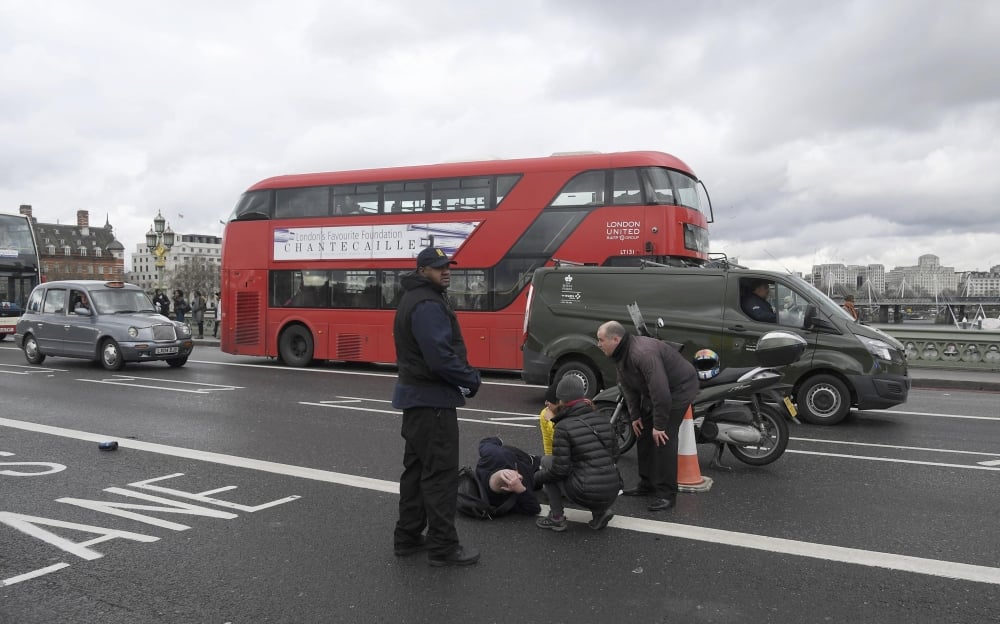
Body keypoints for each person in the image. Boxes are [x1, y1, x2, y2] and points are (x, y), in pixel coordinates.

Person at [391, 246, 482, 567]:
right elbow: (439, 356)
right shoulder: (428, 304)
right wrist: (471, 379)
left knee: (416, 473)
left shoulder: (413, 299)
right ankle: (443, 548)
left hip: (416, 401)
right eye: (438, 267)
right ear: (421, 271)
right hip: (433, 404)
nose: (446, 271)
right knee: (441, 475)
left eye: (448, 266)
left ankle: (407, 536)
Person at [597, 320, 699, 512]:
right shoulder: (620, 353)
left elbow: (661, 393)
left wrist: (659, 425)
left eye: (601, 340)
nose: (598, 344)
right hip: (655, 391)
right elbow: (627, 386)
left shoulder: (642, 354)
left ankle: (667, 494)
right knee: (643, 432)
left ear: (615, 339)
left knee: (663, 439)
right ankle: (647, 484)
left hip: (679, 388)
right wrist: (635, 416)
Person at [534, 375, 620, 532]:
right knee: (591, 467)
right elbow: (615, 455)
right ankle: (600, 512)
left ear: (561, 400)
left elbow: (559, 470)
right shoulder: (602, 418)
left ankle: (556, 518)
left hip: (586, 491)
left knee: (547, 463)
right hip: (612, 489)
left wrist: (537, 478)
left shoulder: (563, 427)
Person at [473, 436, 541, 517]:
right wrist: (521, 489)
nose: (520, 477)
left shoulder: (497, 455)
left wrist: (498, 440)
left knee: (507, 450)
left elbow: (485, 442)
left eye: (515, 473)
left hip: (521, 456)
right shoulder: (501, 501)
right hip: (537, 469)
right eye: (518, 479)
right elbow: (534, 509)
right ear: (509, 488)